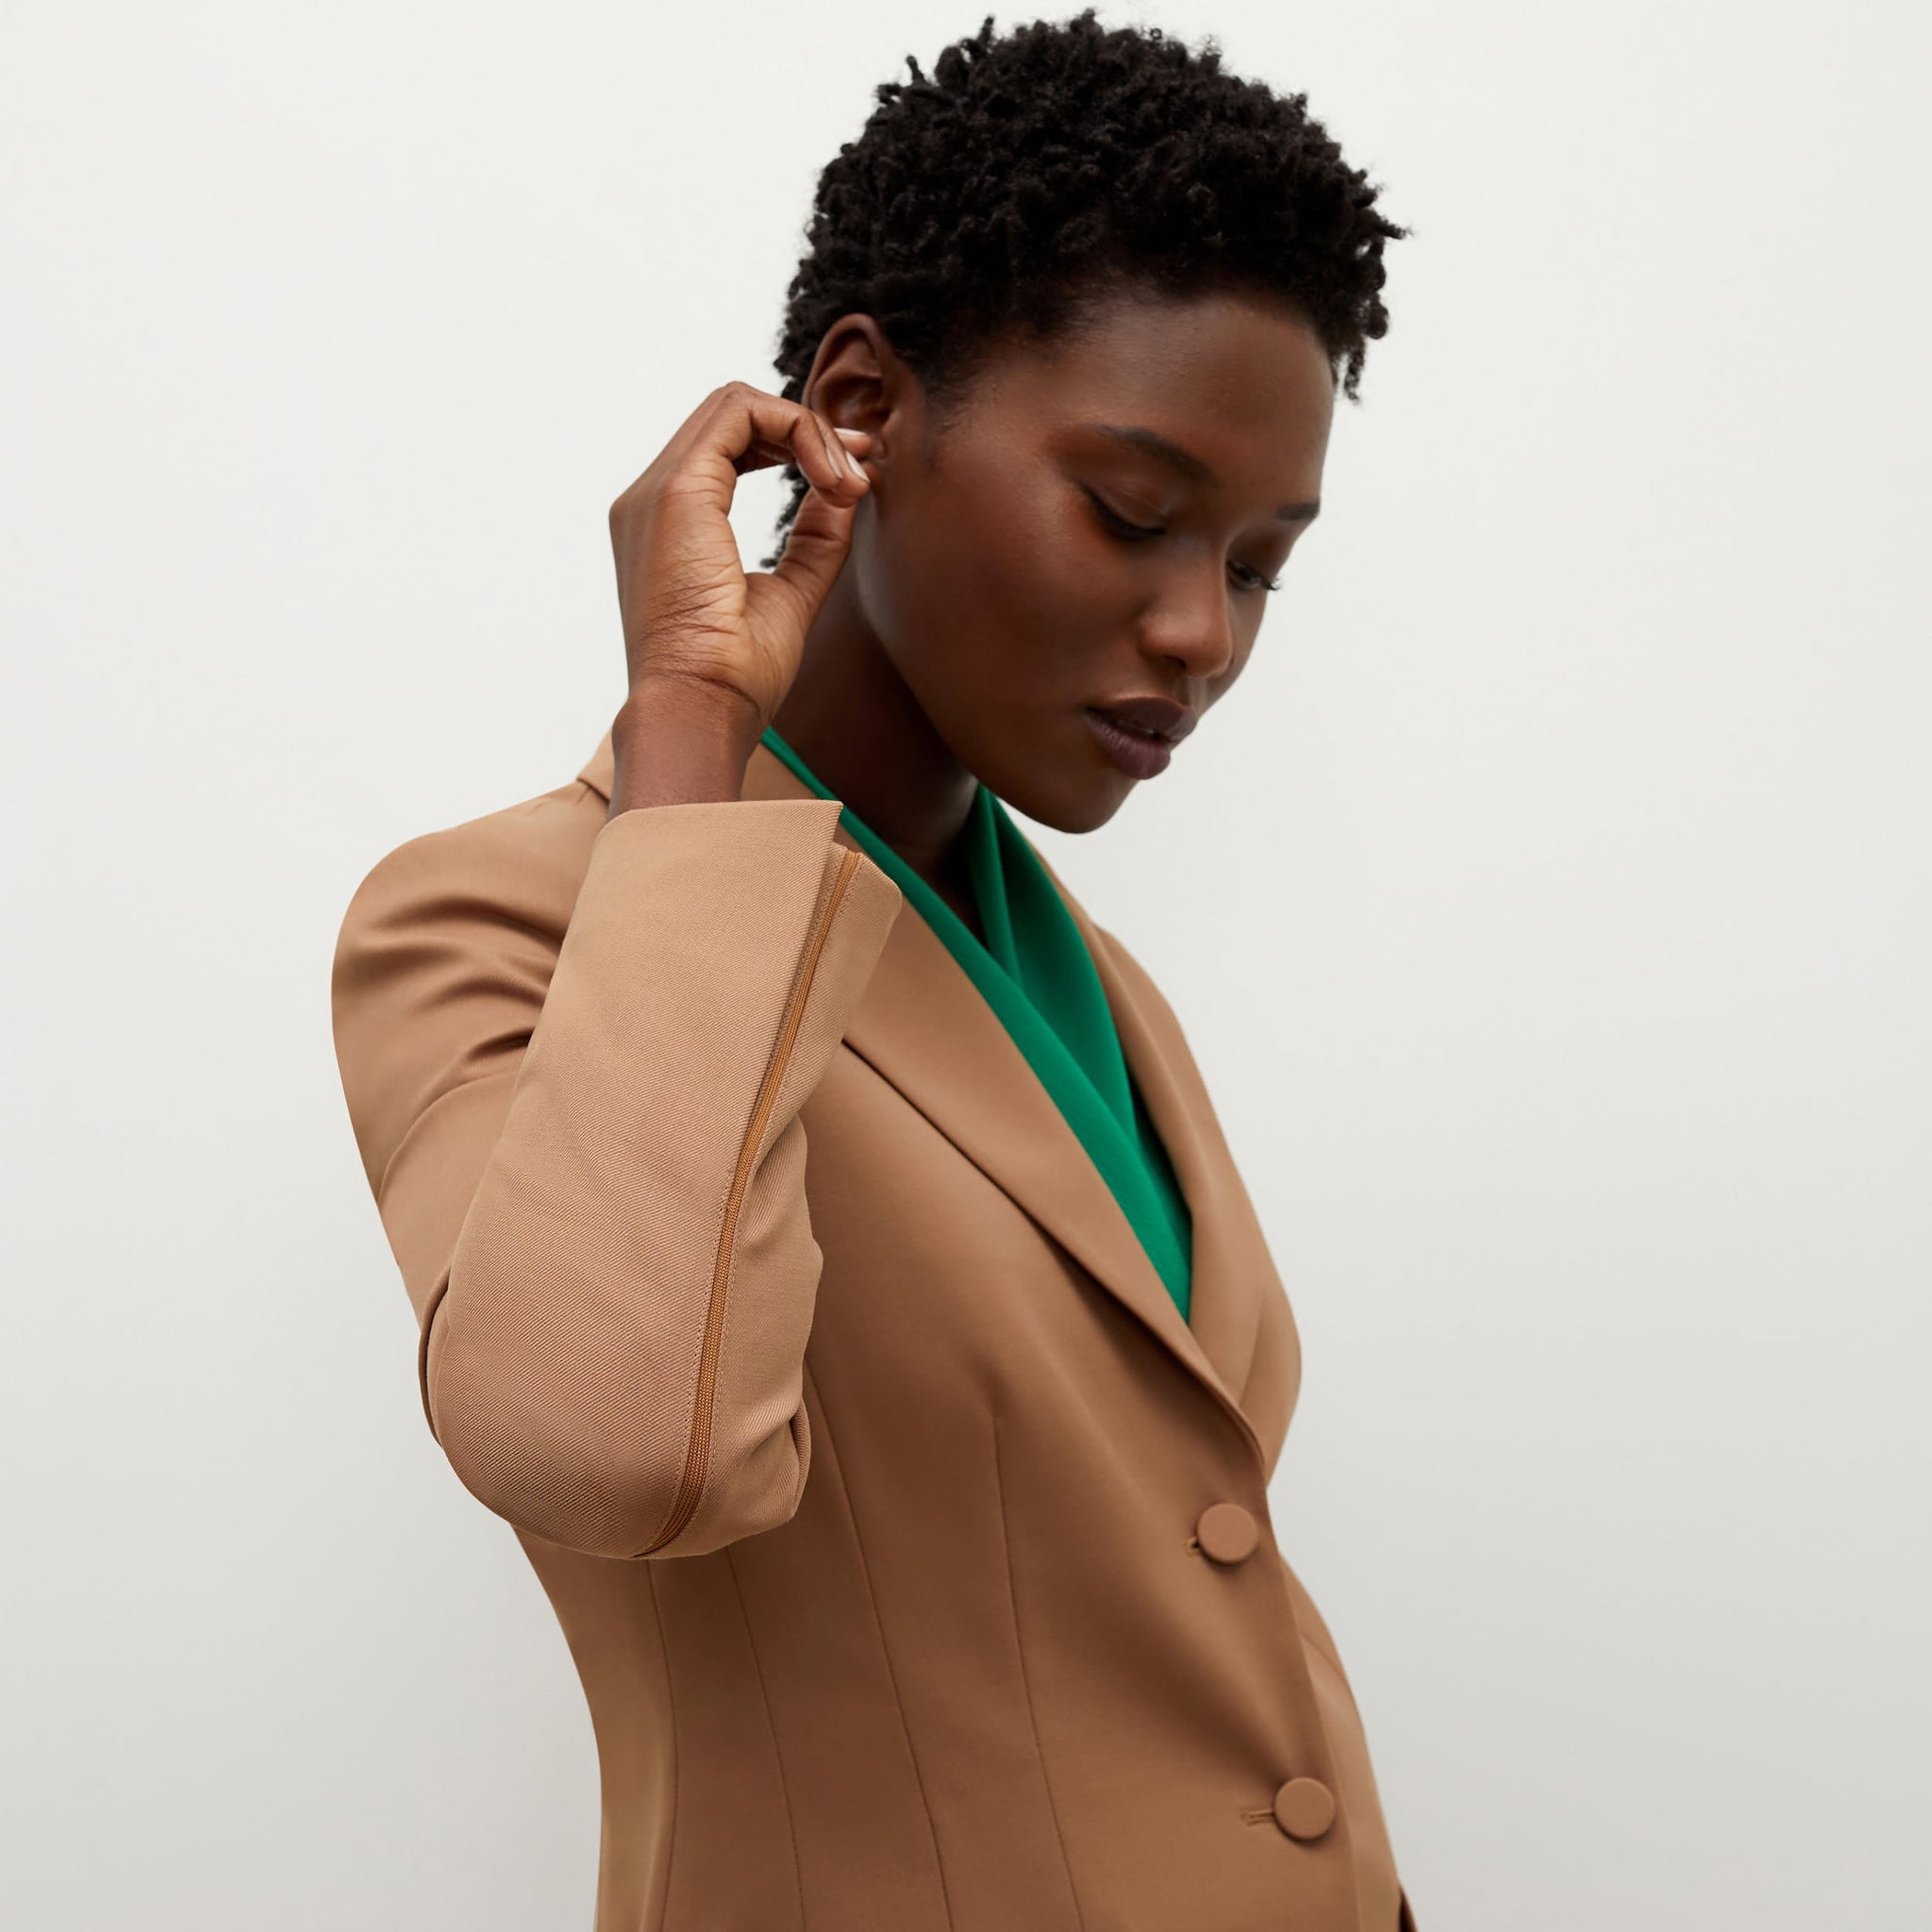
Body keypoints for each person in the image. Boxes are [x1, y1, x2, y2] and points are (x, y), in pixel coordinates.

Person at [330, 11, 1416, 1927]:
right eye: (1133, 511)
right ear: (859, 408)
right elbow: (608, 1446)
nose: (1197, 631)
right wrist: (688, 731)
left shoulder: (1099, 987)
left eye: (1258, 564)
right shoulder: (492, 924)